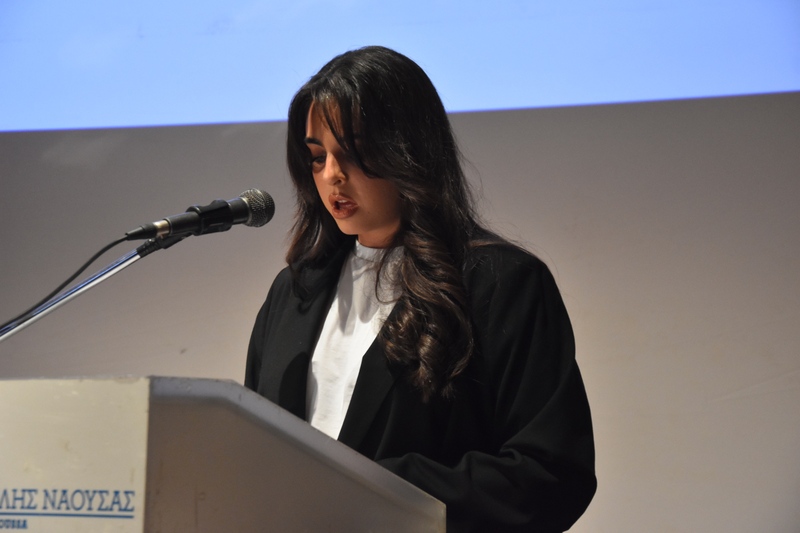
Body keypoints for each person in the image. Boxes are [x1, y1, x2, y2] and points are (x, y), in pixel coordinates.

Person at [245, 45, 596, 532]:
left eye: (352, 152)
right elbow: (254, 453)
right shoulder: (293, 293)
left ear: (408, 149)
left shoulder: (501, 283)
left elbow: (550, 473)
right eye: (317, 157)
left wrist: (378, 490)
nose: (331, 176)